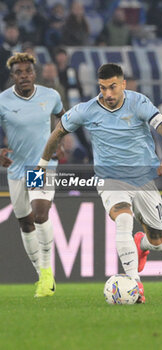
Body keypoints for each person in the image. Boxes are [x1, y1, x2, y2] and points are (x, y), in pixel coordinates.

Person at [36, 63, 162, 303]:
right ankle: (135, 284)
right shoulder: (86, 110)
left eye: (113, 87)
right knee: (123, 218)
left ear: (123, 84)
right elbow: (58, 132)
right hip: (110, 177)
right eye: (103, 88)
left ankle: (140, 244)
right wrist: (41, 166)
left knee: (160, 245)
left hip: (143, 178)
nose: (108, 94)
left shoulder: (139, 103)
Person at [0, 53, 65, 297]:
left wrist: (60, 138)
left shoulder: (50, 96)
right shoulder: (3, 101)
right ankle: (43, 275)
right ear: (12, 76)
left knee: (40, 214)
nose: (24, 76)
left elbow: (62, 115)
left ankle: (47, 273)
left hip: (40, 166)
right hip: (17, 168)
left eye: (28, 71)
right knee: (25, 223)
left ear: (34, 74)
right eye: (19, 72)